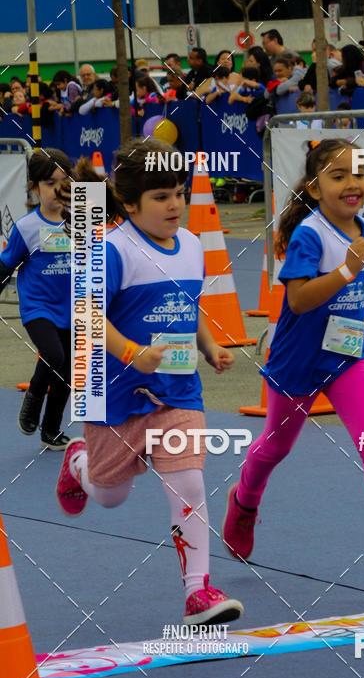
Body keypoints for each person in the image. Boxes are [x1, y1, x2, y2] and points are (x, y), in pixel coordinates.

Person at [55, 139, 244, 626]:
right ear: (130, 203)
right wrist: (131, 352)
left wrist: (208, 346)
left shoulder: (194, 247)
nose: (175, 204)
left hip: (177, 391)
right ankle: (79, 464)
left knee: (189, 483)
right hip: (112, 390)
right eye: (161, 196)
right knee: (109, 494)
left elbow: (188, 305)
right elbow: (87, 313)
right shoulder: (113, 251)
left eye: (178, 192)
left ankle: (197, 592)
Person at [221, 138, 364, 572]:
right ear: (316, 189)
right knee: (276, 446)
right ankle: (244, 501)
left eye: (358, 173)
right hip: (298, 357)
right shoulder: (309, 235)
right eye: (338, 176)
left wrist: (350, 272)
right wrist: (346, 270)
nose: (352, 183)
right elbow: (297, 301)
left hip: (348, 353)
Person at [0, 149, 74, 449]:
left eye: (64, 181)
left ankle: (51, 430)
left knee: (67, 370)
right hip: (38, 306)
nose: (58, 189)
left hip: (72, 307)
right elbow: (5, 266)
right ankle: (33, 395)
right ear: (34, 187)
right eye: (49, 183)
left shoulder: (82, 221)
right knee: (54, 356)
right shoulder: (27, 227)